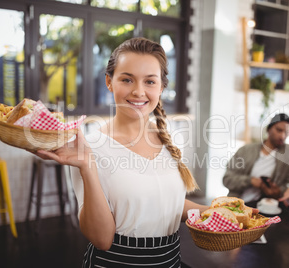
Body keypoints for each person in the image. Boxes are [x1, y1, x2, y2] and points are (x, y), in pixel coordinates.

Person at [35, 37, 208, 267]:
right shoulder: (90, 148)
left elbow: (164, 202)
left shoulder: (168, 140)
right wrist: (87, 166)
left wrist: (218, 210)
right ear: (109, 81)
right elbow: (101, 239)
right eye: (127, 79)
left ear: (161, 87)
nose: (138, 92)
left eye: (149, 82)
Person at [222, 113, 289, 205]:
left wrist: (278, 191)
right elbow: (227, 179)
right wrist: (250, 181)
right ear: (269, 129)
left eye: (287, 133)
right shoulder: (245, 150)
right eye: (279, 130)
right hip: (236, 203)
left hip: (267, 206)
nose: (282, 136)